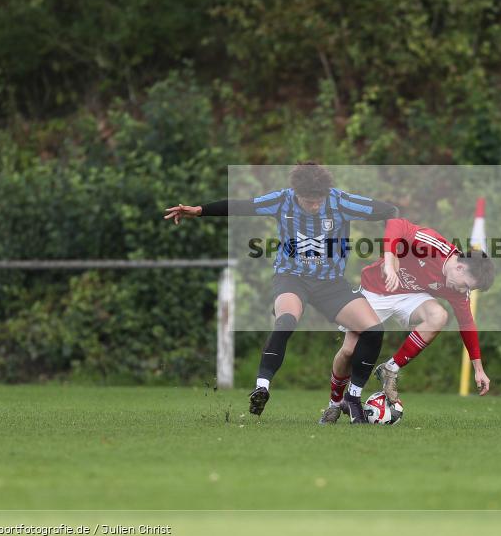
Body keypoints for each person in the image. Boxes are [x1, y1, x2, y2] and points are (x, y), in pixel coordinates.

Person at [165, 162, 398, 423]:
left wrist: (391, 254)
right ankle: (262, 387)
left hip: (331, 284)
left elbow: (390, 211)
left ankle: (352, 398)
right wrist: (200, 210)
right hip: (291, 278)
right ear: (297, 193)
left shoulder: (340, 202)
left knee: (373, 330)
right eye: (308, 201)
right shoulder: (281, 201)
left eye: (319, 201)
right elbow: (243, 206)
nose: (314, 206)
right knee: (286, 320)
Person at [318, 217, 495, 424]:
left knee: (438, 316)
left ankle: (389, 369)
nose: (464, 290)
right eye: (466, 285)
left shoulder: (457, 289)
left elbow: (467, 324)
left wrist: (478, 369)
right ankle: (335, 403)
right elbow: (395, 223)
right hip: (376, 290)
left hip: (411, 296)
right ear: (460, 268)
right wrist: (390, 263)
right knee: (349, 351)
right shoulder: (432, 245)